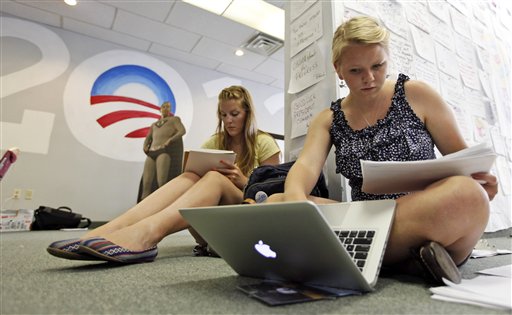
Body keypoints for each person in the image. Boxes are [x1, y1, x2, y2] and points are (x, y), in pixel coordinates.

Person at [267, 16, 497, 285]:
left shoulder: (417, 94)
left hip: (422, 214)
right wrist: (296, 201)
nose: (370, 78)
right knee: (276, 203)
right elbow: (305, 167)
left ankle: (364, 255)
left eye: (378, 65)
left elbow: (461, 158)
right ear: (338, 69)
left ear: (388, 58)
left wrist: (481, 180)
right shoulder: (328, 118)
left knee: (468, 195)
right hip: (369, 217)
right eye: (355, 71)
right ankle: (408, 261)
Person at [47, 85, 281, 263]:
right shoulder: (215, 141)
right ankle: (109, 229)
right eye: (223, 115)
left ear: (247, 113)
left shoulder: (263, 142)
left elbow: (273, 198)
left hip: (248, 217)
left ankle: (147, 234)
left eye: (234, 114)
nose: (228, 120)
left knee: (214, 178)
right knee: (188, 177)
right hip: (212, 221)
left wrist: (243, 181)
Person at [141, 101, 186, 200]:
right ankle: (142, 208)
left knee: (161, 182)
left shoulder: (174, 120)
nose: (166, 108)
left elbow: (182, 131)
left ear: (170, 109)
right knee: (146, 183)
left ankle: (162, 204)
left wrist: (170, 140)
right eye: (164, 107)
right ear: (160, 109)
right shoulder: (154, 124)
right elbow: (149, 137)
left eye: (168, 107)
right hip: (152, 152)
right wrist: (145, 146)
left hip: (164, 151)